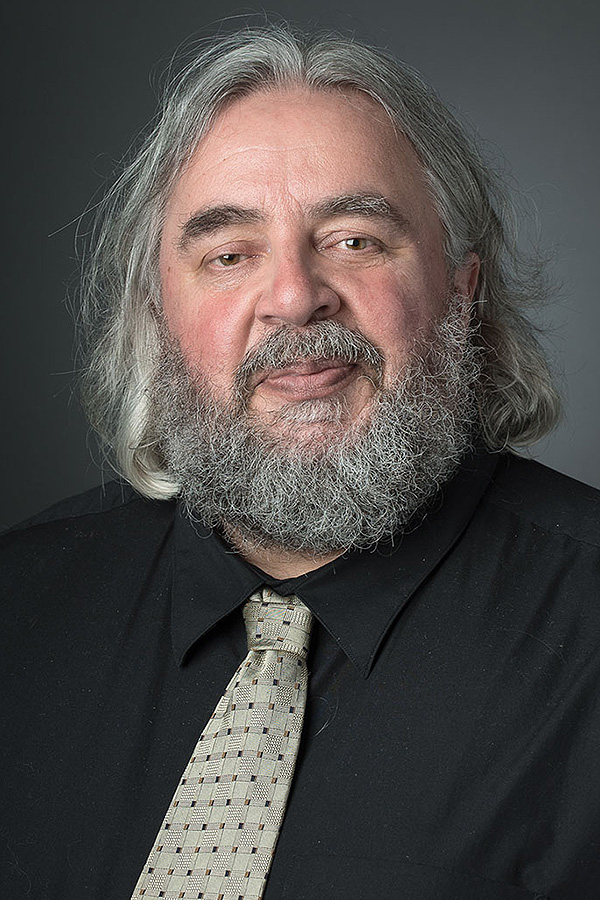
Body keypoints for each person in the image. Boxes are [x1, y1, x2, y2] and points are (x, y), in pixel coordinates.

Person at [1, 23, 599, 900]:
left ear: (461, 290)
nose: (293, 296)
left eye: (355, 239)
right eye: (229, 255)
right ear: (159, 317)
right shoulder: (18, 610)